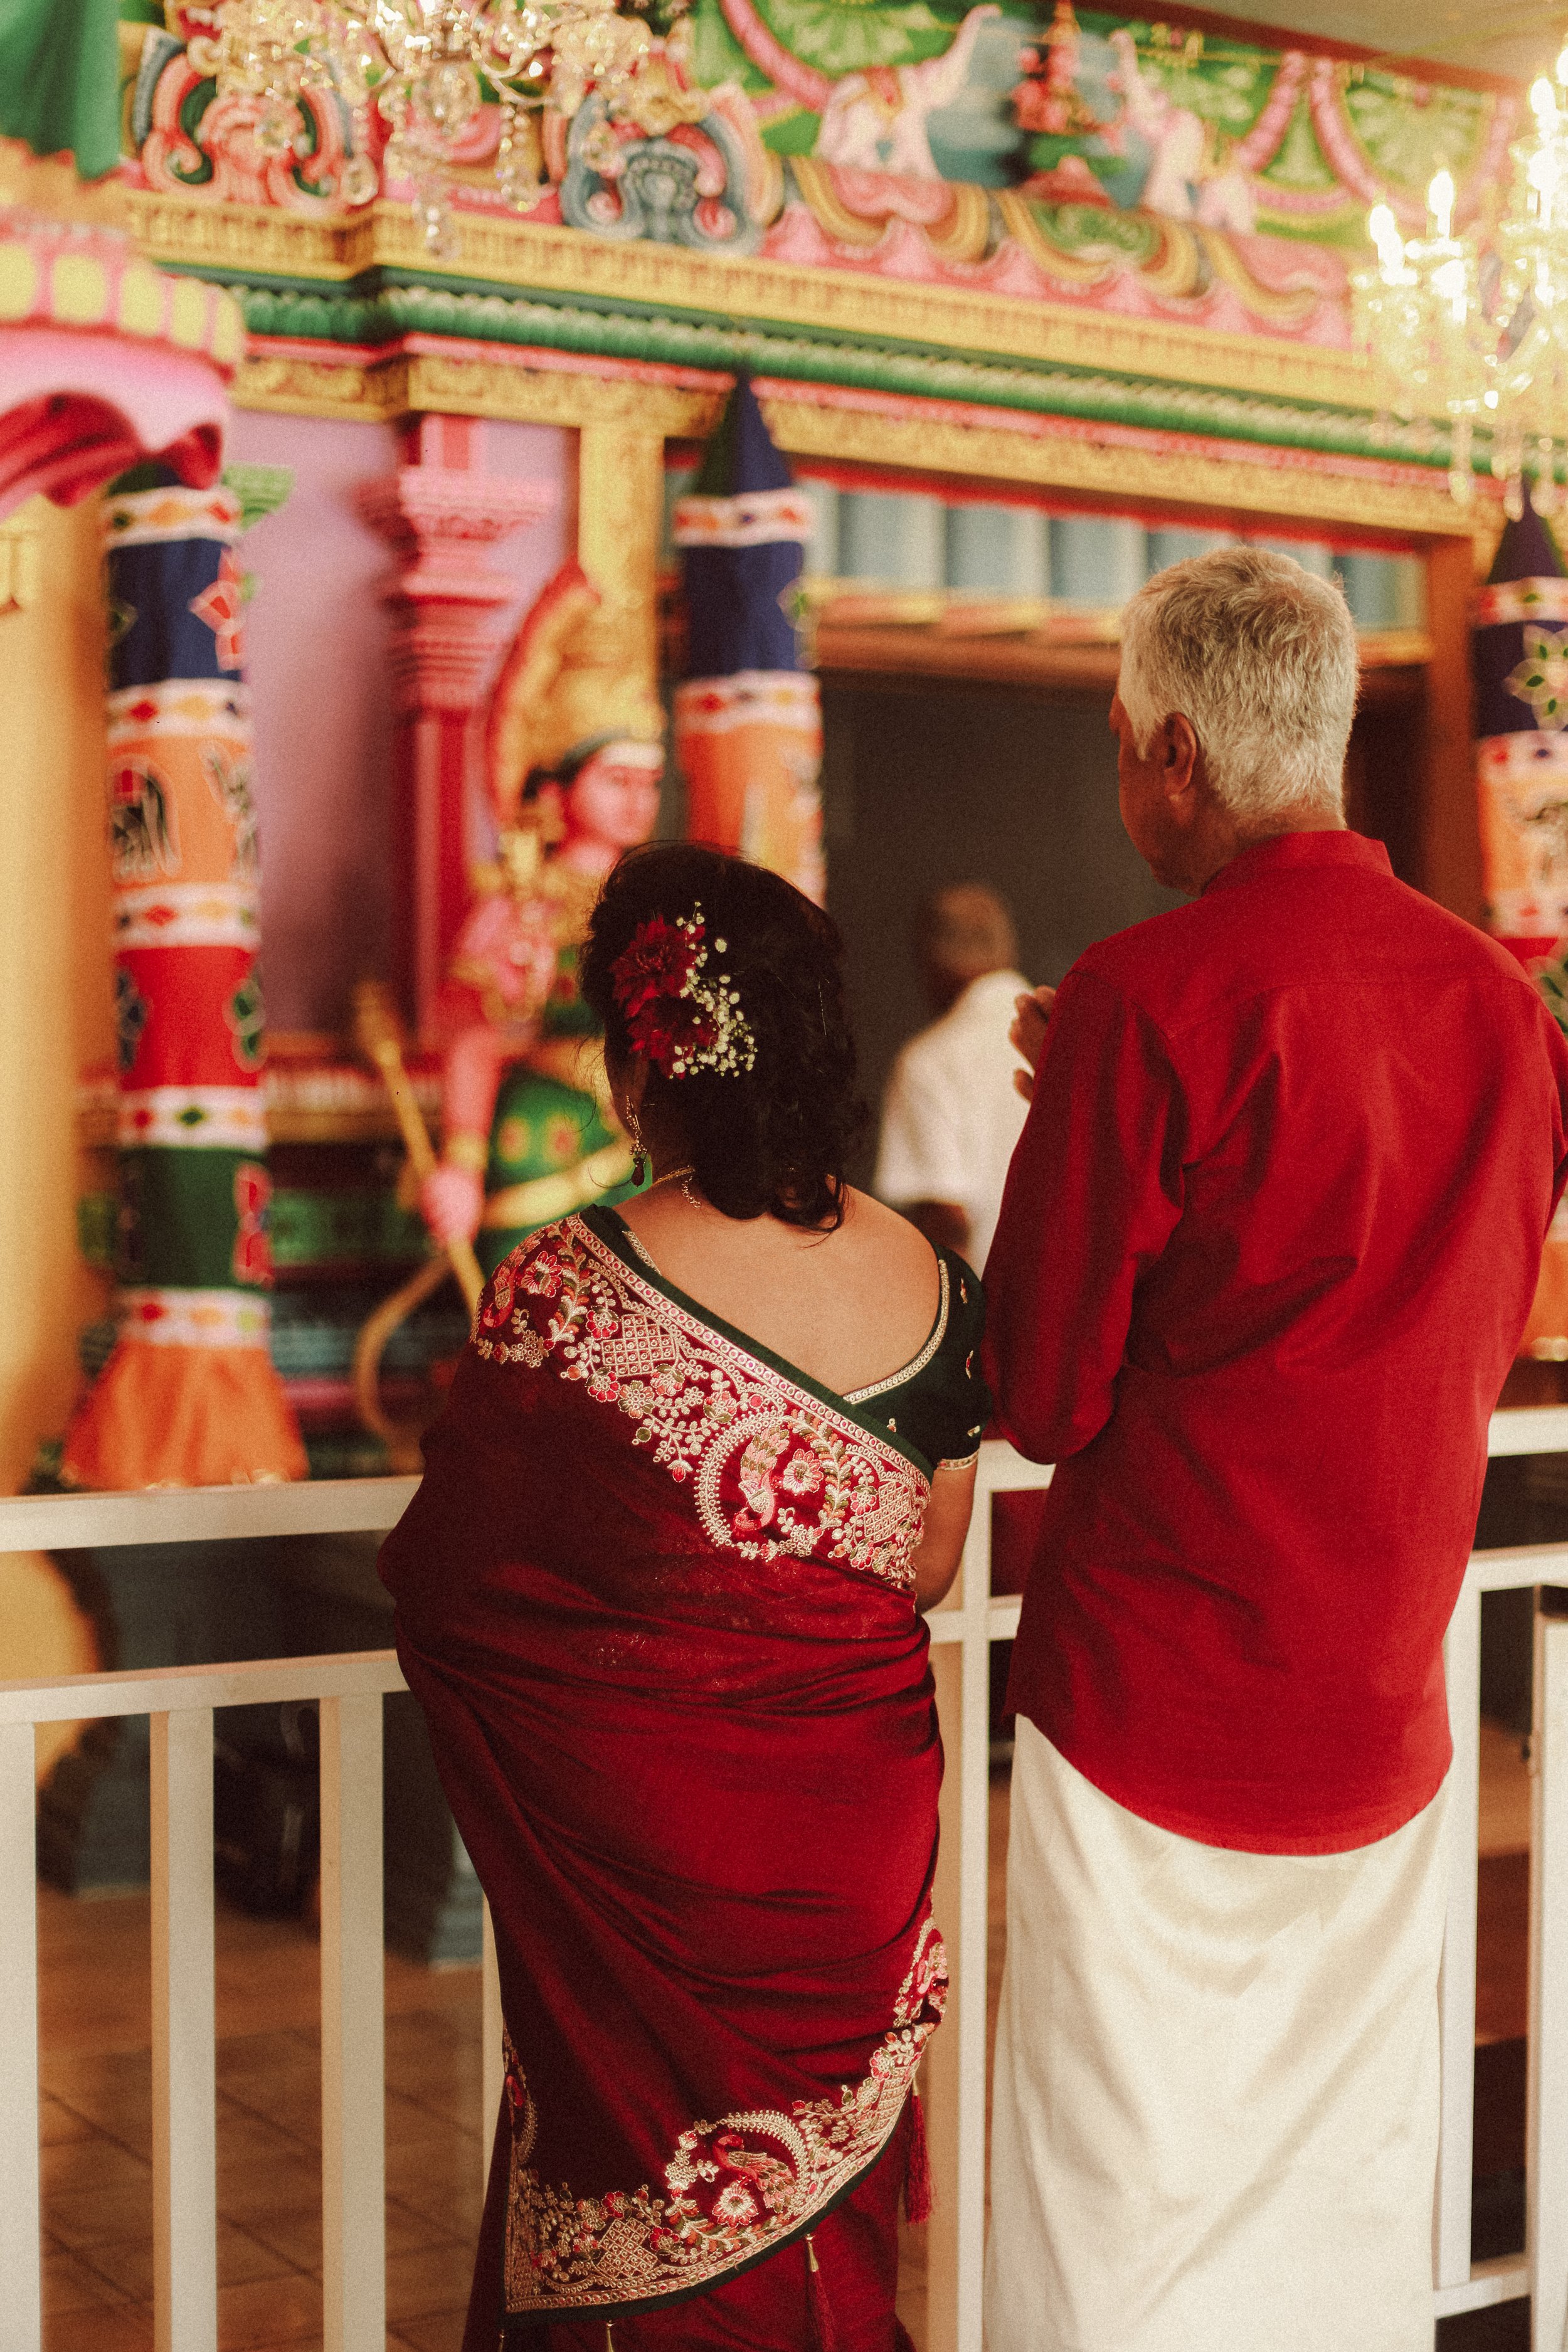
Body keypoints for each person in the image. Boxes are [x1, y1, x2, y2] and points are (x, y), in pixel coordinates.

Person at [982, 546, 1568, 2352]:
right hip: (1390, 1703)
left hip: (1155, 1695)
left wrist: (1075, 1095)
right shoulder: (1503, 1010)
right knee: (1332, 2191)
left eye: (1113, 746)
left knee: (1116, 2190)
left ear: (1172, 750)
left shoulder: (1145, 995)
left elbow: (1041, 1392)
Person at [381, 843, 992, 2352]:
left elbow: (454, 1584)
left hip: (642, 1864)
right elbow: (926, 1561)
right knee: (829, 2217)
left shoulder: (567, 1288)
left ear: (639, 1064)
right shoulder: (931, 1280)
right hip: (848, 1857)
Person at [421, 559, 664, 1275]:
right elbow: (476, 1036)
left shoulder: (663, 901)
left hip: (651, 1146)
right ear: (560, 786)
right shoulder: (524, 904)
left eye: (649, 783)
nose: (636, 802)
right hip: (544, 1131)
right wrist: (460, 1166)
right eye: (616, 780)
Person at [874, 882, 1030, 1269]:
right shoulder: (1067, 1037)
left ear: (933, 961)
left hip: (989, 1310)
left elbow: (946, 1222)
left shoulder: (931, 1061)